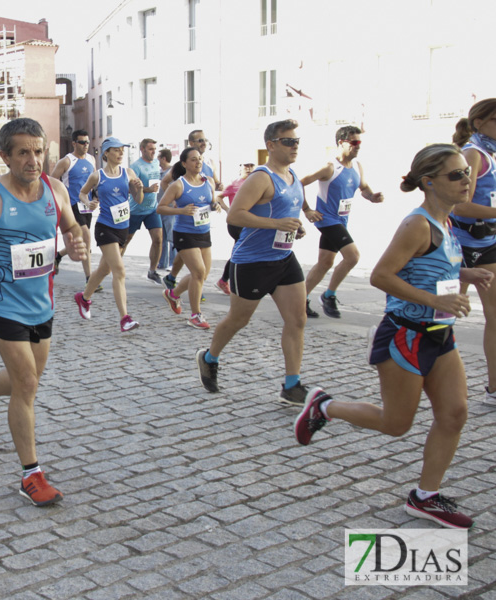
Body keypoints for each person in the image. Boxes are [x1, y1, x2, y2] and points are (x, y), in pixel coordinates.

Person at [295, 143, 490, 530]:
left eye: (467, 172)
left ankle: (426, 497)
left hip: (439, 334)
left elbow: (431, 266)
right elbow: (381, 276)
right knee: (396, 423)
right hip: (405, 335)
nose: (466, 180)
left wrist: (465, 276)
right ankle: (324, 407)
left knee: (454, 414)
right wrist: (435, 298)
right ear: (429, 182)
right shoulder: (416, 224)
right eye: (456, 175)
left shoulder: (447, 221)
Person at [0, 117, 87, 506]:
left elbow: (74, 227)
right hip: (1, 301)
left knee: (26, 380)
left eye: (39, 151)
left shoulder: (55, 190)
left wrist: (77, 246)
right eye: (23, 152)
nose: (33, 160)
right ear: (6, 156)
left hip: (41, 302)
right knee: (26, 384)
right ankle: (32, 474)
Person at [196, 120, 323, 406]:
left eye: (296, 141)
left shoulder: (293, 176)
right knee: (239, 320)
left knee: (297, 319)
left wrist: (295, 228)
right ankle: (209, 357)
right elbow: (234, 216)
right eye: (288, 141)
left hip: (283, 258)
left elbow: (288, 213)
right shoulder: (261, 178)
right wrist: (276, 223)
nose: (294, 146)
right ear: (271, 145)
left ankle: (292, 385)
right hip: (252, 262)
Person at [301, 126, 384, 318]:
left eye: (359, 143)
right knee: (353, 256)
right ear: (341, 143)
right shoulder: (329, 167)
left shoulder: (357, 166)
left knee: (325, 262)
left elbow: (363, 187)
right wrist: (307, 210)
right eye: (354, 143)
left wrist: (372, 196)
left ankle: (299, 301)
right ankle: (329, 295)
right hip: (327, 220)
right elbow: (298, 183)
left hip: (341, 220)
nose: (357, 147)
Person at [449, 98, 496, 403]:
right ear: (479, 123)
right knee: (442, 315)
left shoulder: (490, 152)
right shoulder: (472, 154)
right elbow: (460, 204)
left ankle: (493, 388)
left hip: (487, 243)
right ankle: (394, 344)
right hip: (460, 244)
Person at [72, 137, 144, 332]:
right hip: (105, 228)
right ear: (106, 153)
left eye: (122, 150)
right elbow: (82, 193)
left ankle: (84, 298)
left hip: (123, 228)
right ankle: (125, 318)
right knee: (119, 270)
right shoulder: (98, 176)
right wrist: (88, 204)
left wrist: (139, 189)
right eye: (116, 150)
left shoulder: (128, 173)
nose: (121, 153)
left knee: (105, 270)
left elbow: (138, 199)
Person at [158, 148, 215, 329]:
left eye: (200, 159)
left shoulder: (209, 181)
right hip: (184, 233)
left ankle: (173, 294)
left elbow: (211, 202)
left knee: (203, 274)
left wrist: (215, 205)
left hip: (204, 231)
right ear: (184, 164)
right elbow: (161, 208)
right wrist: (181, 210)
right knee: (198, 272)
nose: (198, 162)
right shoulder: (178, 185)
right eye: (193, 160)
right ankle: (196, 315)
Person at [161, 130, 223, 289]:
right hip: (185, 222)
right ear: (191, 143)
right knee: (196, 267)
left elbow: (214, 185)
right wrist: (176, 200)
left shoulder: (209, 162)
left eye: (205, 140)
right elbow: (165, 182)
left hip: (202, 224)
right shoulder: (182, 166)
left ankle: (173, 277)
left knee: (189, 258)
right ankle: (192, 286)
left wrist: (214, 202)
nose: (204, 143)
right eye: (200, 140)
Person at [49, 130, 96, 280]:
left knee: (82, 241)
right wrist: (61, 201)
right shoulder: (66, 161)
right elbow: (52, 181)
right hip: (72, 205)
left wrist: (95, 198)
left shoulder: (91, 160)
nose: (85, 145)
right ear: (74, 143)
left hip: (86, 205)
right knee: (86, 238)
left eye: (87, 142)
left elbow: (95, 181)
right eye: (82, 142)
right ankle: (89, 278)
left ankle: (58, 255)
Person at [126, 138, 165, 284]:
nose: (153, 152)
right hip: (136, 209)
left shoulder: (156, 163)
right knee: (126, 240)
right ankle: (113, 266)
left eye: (155, 149)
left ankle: (152, 271)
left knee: (158, 239)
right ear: (142, 149)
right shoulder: (136, 166)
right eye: (150, 149)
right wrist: (148, 189)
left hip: (152, 209)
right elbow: (132, 189)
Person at [214, 163, 256, 295]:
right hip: (236, 222)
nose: (249, 169)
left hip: (249, 221)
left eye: (251, 166)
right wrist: (227, 209)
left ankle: (225, 279)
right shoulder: (235, 184)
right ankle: (231, 280)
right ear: (240, 169)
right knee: (240, 251)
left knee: (241, 251)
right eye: (246, 166)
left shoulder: (255, 182)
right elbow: (219, 196)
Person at [157, 148, 176, 270]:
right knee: (162, 237)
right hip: (159, 208)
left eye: (159, 157)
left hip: (169, 209)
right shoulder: (159, 172)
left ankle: (172, 263)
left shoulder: (173, 171)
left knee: (171, 237)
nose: (157, 160)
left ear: (164, 158)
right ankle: (162, 262)